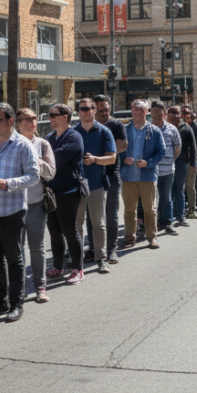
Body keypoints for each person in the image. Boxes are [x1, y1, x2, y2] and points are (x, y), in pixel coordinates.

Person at [0, 103, 40, 322]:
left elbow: (34, 176)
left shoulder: (23, 144)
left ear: (11, 121)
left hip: (11, 211)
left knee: (14, 259)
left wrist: (8, 184)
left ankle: (16, 303)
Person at [15, 108, 56, 303]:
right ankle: (19, 289)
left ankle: (40, 286)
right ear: (17, 123)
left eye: (34, 119)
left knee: (36, 247)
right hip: (14, 204)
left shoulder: (42, 144)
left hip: (36, 202)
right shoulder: (10, 144)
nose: (32, 122)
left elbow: (51, 173)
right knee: (17, 249)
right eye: (27, 119)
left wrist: (37, 162)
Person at [74, 98, 117, 273]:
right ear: (78, 112)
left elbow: (112, 158)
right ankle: (77, 260)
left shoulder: (104, 131)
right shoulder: (73, 132)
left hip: (96, 184)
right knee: (77, 225)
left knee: (98, 224)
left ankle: (101, 258)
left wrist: (95, 160)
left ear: (94, 110)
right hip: (76, 186)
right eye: (82, 109)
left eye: (88, 108)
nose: (85, 112)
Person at [45, 103, 87, 285]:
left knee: (70, 230)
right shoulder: (50, 137)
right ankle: (58, 266)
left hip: (69, 191)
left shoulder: (74, 136)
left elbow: (57, 158)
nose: (51, 119)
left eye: (54, 115)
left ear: (65, 117)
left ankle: (78, 269)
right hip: (51, 191)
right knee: (54, 231)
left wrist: (41, 158)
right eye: (50, 115)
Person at [120, 100, 166, 249]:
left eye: (140, 109)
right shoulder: (124, 130)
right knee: (129, 210)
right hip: (128, 177)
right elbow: (116, 149)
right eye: (134, 109)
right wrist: (123, 159)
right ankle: (129, 238)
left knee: (150, 210)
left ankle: (152, 237)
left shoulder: (154, 130)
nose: (136, 112)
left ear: (146, 112)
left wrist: (149, 162)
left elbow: (161, 150)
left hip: (147, 177)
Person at [93, 95, 127, 264]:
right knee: (93, 215)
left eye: (106, 109)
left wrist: (100, 157)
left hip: (111, 174)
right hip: (92, 175)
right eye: (100, 110)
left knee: (111, 213)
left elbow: (122, 146)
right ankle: (93, 249)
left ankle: (111, 249)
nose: (104, 113)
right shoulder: (88, 126)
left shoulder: (116, 125)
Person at [151, 101, 181, 236]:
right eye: (152, 112)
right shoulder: (149, 128)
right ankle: (155, 223)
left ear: (163, 113)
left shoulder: (172, 129)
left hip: (168, 170)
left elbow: (177, 146)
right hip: (152, 171)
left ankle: (168, 222)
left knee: (167, 197)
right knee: (154, 199)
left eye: (157, 112)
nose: (154, 115)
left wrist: (170, 160)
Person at [169, 106, 195, 227]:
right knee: (169, 191)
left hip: (182, 162)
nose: (175, 115)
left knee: (179, 190)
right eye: (172, 113)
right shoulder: (165, 127)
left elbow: (193, 147)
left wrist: (193, 163)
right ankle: (168, 217)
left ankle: (180, 216)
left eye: (177, 113)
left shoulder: (186, 128)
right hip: (167, 163)